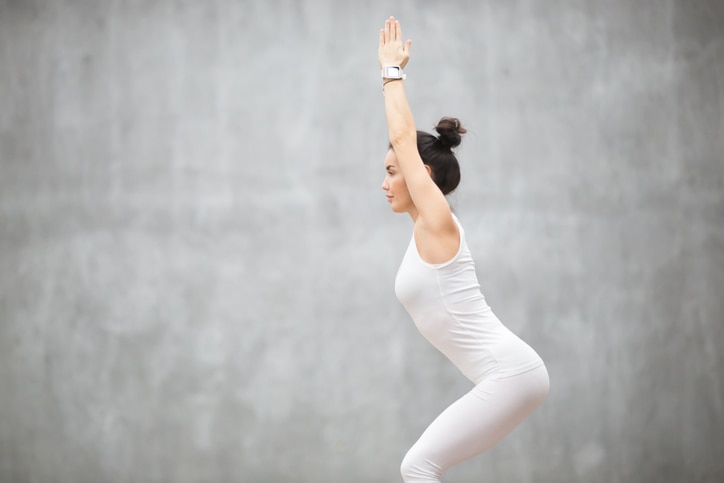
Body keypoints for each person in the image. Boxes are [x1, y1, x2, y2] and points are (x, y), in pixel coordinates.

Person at [378, 16, 550, 482]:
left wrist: (391, 73)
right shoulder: (424, 233)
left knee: (418, 466)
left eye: (395, 171)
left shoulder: (439, 223)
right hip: (509, 376)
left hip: (511, 374)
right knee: (420, 465)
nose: (385, 182)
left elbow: (400, 137)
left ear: (423, 177)